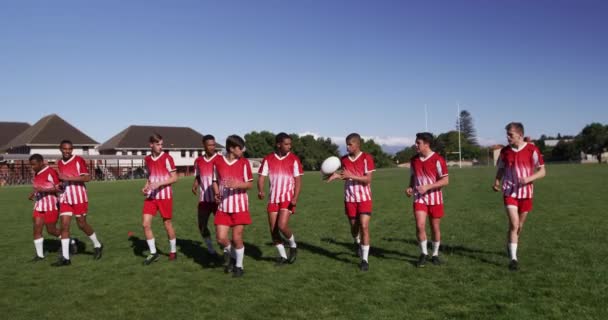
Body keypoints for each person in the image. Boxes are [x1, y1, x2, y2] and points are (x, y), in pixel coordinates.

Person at [493, 122, 546, 271]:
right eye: (507, 134)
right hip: (509, 192)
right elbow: (501, 169)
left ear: (520, 135)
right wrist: (497, 181)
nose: (508, 137)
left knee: (519, 226)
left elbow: (542, 171)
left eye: (511, 134)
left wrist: (528, 179)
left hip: (526, 193)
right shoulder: (505, 152)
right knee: (514, 224)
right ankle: (513, 259)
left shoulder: (532, 149)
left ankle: (511, 245)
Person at [328, 133, 375, 272]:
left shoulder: (367, 158)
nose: (347, 147)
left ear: (357, 144)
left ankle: (365, 260)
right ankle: (357, 242)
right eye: (346, 144)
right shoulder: (344, 160)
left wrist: (350, 176)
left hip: (365, 198)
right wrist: (337, 175)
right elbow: (345, 176)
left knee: (364, 226)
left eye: (350, 144)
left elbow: (367, 180)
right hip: (350, 199)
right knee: (354, 227)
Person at [54, 140, 103, 266]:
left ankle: (97, 244)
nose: (67, 151)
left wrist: (68, 178)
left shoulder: (78, 160)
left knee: (81, 224)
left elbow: (87, 178)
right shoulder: (59, 163)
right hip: (65, 197)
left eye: (69, 149)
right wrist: (59, 185)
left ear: (72, 149)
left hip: (79, 197)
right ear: (60, 149)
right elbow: (61, 180)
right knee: (64, 226)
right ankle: (66, 258)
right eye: (65, 148)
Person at [257, 132, 303, 265]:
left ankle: (293, 245)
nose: (289, 146)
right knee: (273, 230)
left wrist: (295, 197)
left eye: (290, 144)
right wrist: (261, 190)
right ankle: (283, 257)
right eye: (286, 144)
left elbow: (298, 180)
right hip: (273, 199)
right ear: (278, 144)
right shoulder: (268, 159)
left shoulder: (294, 159)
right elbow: (261, 177)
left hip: (287, 198)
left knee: (282, 225)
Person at [405, 132, 449, 267]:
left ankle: (435, 254)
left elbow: (445, 180)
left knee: (435, 228)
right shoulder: (414, 160)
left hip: (435, 199)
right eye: (416, 142)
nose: (416, 145)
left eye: (418, 143)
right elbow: (413, 177)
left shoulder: (438, 159)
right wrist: (410, 187)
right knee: (420, 225)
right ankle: (423, 253)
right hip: (419, 198)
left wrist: (428, 187)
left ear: (427, 144)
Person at [212, 135, 253, 277]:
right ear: (231, 148)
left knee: (236, 238)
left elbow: (249, 184)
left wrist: (238, 184)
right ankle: (233, 255)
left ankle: (239, 266)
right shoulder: (217, 162)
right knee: (221, 238)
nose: (242, 151)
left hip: (240, 206)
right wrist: (217, 192)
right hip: (223, 207)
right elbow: (215, 180)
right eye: (240, 148)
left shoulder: (244, 163)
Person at [141, 134, 178, 265]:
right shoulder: (147, 159)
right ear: (151, 144)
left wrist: (159, 183)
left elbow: (175, 178)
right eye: (158, 144)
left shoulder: (167, 158)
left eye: (162, 144)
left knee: (167, 224)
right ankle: (153, 253)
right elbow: (150, 177)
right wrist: (145, 187)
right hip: (151, 196)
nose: (160, 147)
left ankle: (173, 251)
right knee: (145, 224)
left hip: (165, 196)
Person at [28, 154, 62, 261]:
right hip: (39, 205)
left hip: (51, 205)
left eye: (34, 164)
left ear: (41, 162)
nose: (32, 167)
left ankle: (70, 241)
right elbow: (40, 186)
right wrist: (33, 193)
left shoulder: (51, 172)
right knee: (37, 229)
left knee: (51, 230)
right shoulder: (37, 173)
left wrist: (43, 190)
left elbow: (59, 189)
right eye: (31, 165)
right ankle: (40, 255)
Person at [192, 134, 219, 256]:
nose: (212, 147)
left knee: (220, 229)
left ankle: (228, 252)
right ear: (204, 145)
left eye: (214, 144)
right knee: (202, 225)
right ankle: (211, 250)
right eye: (210, 145)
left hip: (218, 200)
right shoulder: (198, 161)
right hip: (204, 199)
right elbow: (198, 175)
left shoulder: (220, 159)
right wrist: (195, 183)